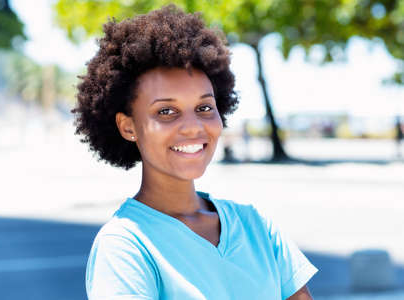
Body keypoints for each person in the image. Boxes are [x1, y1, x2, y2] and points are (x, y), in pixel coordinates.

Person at [73, 5, 318, 300]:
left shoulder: (256, 226)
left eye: (204, 108)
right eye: (166, 111)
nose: (192, 127)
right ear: (128, 127)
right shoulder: (124, 247)